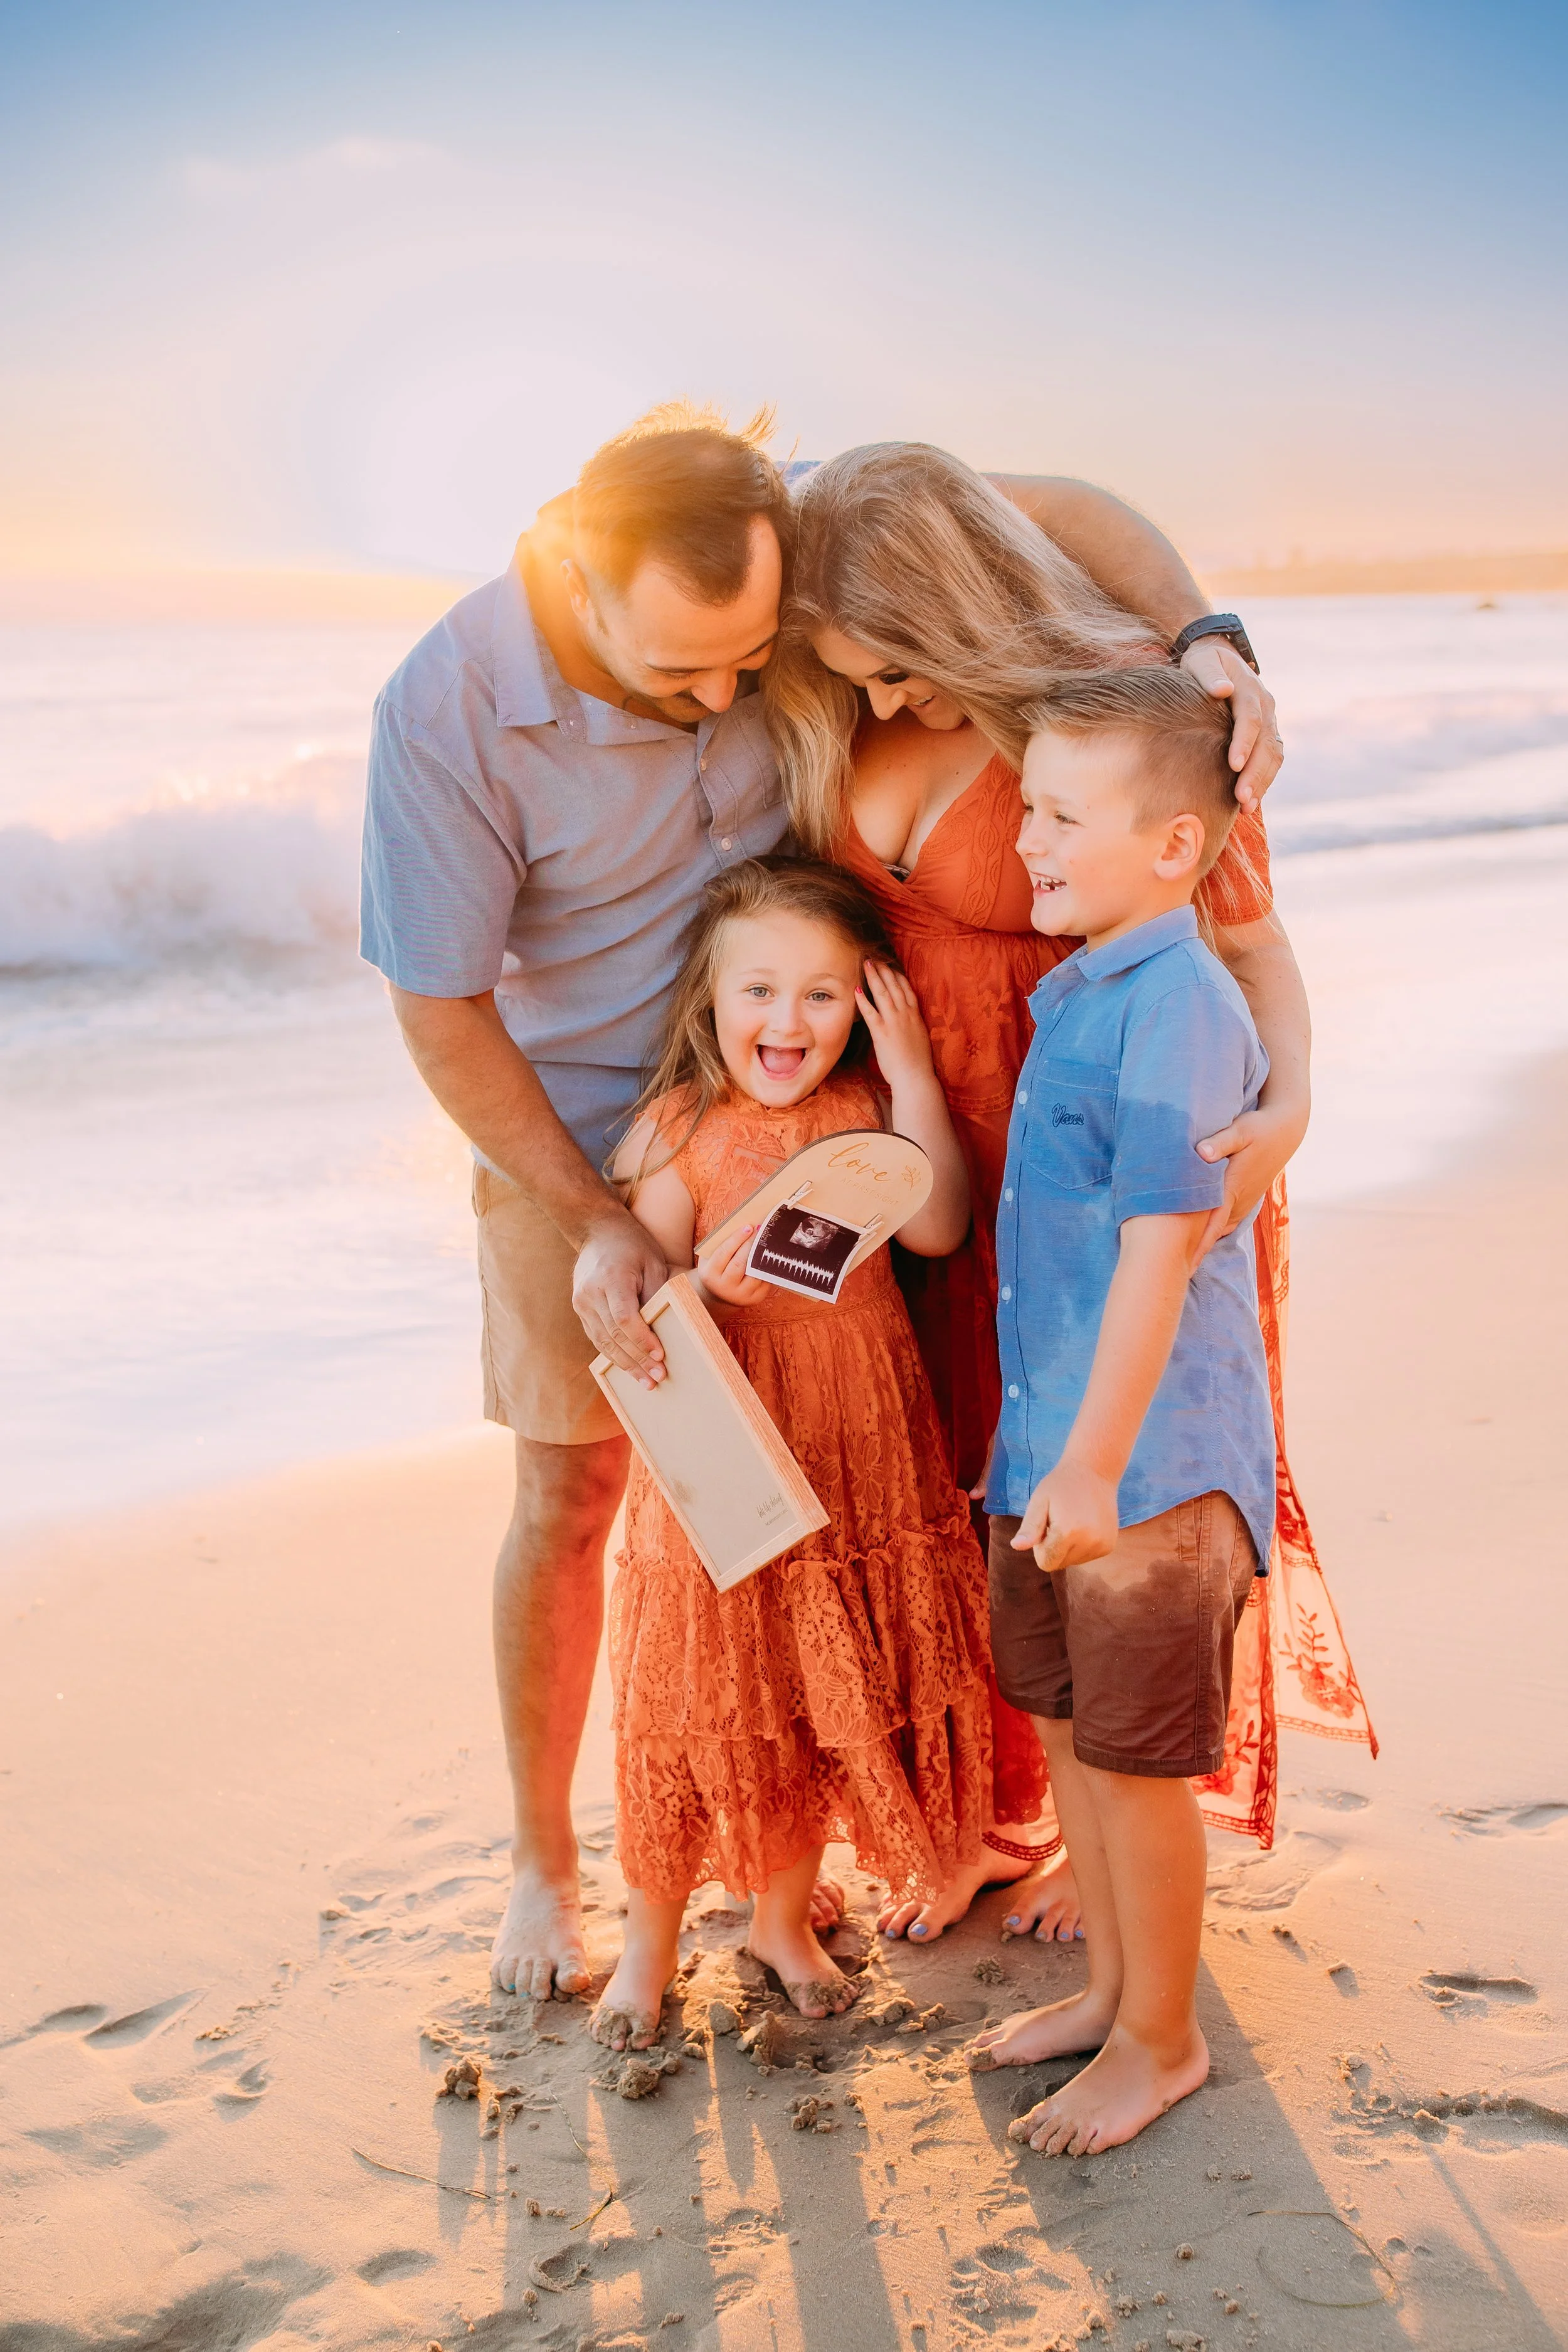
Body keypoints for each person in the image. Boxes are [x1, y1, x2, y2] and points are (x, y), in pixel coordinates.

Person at [359, 401, 1290, 2003]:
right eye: (688, 677)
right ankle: (552, 1863)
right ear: (580, 573)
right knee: (584, 1502)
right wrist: (594, 1212)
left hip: (886, 1119)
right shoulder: (445, 713)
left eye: (749, 663)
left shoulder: (768, 538)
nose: (732, 697)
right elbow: (442, 1011)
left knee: (925, 1471)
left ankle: (940, 1818)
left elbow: (1048, 500)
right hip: (584, 1133)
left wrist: (1207, 636)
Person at [764, 443, 1372, 1948]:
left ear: (947, 609)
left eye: (895, 665)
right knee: (971, 1488)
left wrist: (1287, 1101)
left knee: (1105, 1502)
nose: (882, 701)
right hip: (939, 1182)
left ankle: (1105, 1840)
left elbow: (1248, 947)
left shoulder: (1106, 713)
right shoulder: (840, 695)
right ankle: (998, 1810)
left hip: (1106, 1172)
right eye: (851, 672)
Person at [591, 857, 990, 2048]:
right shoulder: (680, 1130)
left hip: (856, 1438)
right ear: (711, 1000)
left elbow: (939, 1224)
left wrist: (912, 1068)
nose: (788, 1020)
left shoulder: (868, 1113)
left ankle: (779, 1918)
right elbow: (639, 1307)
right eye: (760, 990)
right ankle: (648, 1943)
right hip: (729, 1444)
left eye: (824, 995)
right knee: (698, 1695)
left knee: (822, 1691)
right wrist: (695, 1289)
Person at [967, 668, 1282, 2154]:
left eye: (1058, 813)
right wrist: (1045, 1455)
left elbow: (1165, 1246)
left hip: (1142, 1469)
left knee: (1139, 1757)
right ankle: (1107, 1990)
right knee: (1068, 1726)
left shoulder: (1177, 1009)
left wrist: (1090, 1465)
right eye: (1025, 800)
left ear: (1170, 846)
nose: (1022, 836)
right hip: (1053, 1448)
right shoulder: (1086, 988)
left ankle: (1163, 2041)